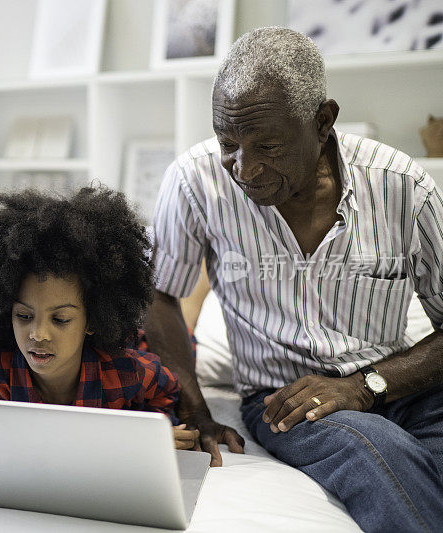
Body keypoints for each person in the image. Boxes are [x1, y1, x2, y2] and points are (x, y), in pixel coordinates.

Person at [145, 26, 443, 531]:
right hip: (283, 400)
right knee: (373, 450)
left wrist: (364, 385)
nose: (245, 168)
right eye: (228, 143)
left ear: (323, 121)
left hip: (397, 382)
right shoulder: (195, 182)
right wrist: (196, 409)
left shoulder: (402, 187)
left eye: (268, 146)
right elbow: (159, 296)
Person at [0, 186, 199, 449]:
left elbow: (167, 392)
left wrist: (148, 429)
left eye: (60, 319)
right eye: (24, 315)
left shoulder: (129, 372)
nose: (38, 334)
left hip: (138, 342)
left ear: (94, 319)